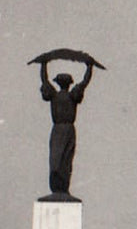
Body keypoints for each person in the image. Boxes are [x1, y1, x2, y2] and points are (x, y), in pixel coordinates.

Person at [37, 57, 95, 196]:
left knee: (57, 159)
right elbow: (85, 82)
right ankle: (61, 186)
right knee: (65, 159)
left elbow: (44, 80)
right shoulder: (72, 95)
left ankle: (59, 186)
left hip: (59, 130)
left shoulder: (55, 95)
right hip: (67, 130)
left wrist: (44, 64)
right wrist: (89, 67)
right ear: (69, 84)